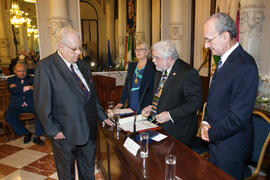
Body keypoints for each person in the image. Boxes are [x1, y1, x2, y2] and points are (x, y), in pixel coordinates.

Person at [33, 27, 114, 180]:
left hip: (89, 133)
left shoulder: (82, 65)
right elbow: (41, 103)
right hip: (65, 135)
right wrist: (53, 130)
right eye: (74, 49)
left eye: (80, 48)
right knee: (67, 176)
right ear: (61, 47)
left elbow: (92, 97)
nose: (79, 52)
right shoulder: (46, 66)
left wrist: (102, 116)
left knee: (88, 174)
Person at [201, 13, 259, 180]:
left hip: (230, 147)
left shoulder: (245, 65)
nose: (206, 45)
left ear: (225, 36)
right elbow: (214, 99)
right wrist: (205, 122)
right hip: (217, 140)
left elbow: (238, 117)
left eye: (209, 39)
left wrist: (211, 133)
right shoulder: (225, 60)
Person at [142, 40, 203, 146]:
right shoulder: (160, 69)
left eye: (157, 58)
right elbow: (164, 96)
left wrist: (170, 115)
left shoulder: (188, 73)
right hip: (159, 127)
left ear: (169, 58)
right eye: (153, 57)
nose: (153, 61)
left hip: (178, 132)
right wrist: (153, 107)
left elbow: (196, 103)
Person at [5, 63, 44, 145]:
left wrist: (20, 88)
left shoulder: (32, 78)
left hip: (31, 104)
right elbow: (13, 90)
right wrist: (28, 87)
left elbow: (38, 88)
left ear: (26, 71)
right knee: (9, 116)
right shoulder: (11, 80)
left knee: (41, 113)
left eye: (23, 71)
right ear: (15, 71)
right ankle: (26, 133)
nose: (22, 73)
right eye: (19, 71)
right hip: (17, 105)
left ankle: (37, 136)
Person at [115, 41, 156, 113]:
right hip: (132, 100)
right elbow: (127, 85)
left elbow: (154, 88)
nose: (138, 51)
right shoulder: (132, 66)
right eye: (137, 49)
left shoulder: (152, 67)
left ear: (147, 52)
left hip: (145, 102)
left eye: (141, 49)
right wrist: (122, 101)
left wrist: (152, 105)